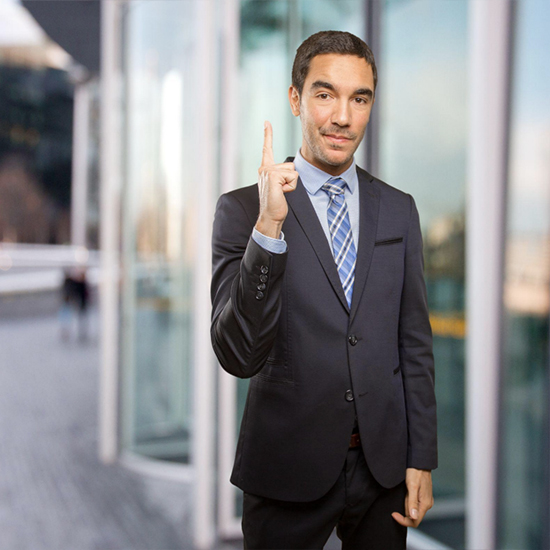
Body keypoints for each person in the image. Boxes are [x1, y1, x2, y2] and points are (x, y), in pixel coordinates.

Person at [211, 30, 437, 549]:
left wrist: (420, 454)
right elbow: (237, 353)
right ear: (295, 99)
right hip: (288, 464)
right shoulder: (244, 209)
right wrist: (268, 230)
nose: (343, 117)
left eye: (360, 99)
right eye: (324, 94)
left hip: (382, 469)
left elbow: (414, 343)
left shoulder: (398, 209)